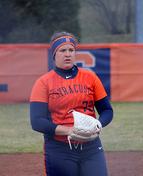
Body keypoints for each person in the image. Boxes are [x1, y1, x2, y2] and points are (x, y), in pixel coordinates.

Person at [30, 31, 113, 176]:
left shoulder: (90, 77)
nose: (67, 54)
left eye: (71, 50)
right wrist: (69, 131)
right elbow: (37, 122)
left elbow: (107, 110)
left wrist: (98, 125)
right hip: (59, 149)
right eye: (62, 50)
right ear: (54, 55)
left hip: (91, 147)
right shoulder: (44, 82)